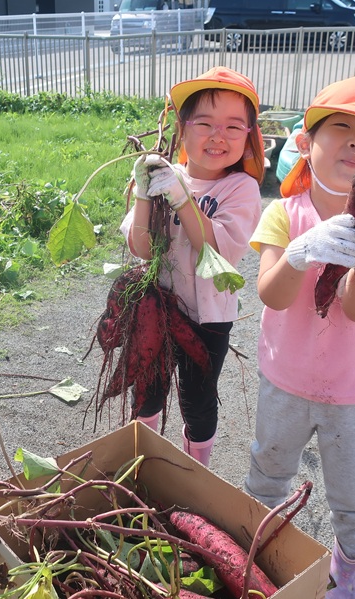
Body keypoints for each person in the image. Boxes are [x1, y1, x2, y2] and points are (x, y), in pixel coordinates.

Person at [242, 75, 355, 599]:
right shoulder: (283, 213)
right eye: (342, 127)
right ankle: (264, 548)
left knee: (353, 490)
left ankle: (348, 564)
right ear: (304, 142)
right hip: (285, 379)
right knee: (268, 471)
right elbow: (272, 295)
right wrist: (302, 251)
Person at [120, 66, 265, 468]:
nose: (218, 136)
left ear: (249, 136)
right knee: (146, 390)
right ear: (182, 129)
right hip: (157, 307)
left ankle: (194, 470)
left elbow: (216, 251)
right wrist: (145, 193)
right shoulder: (165, 177)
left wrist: (183, 197)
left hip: (208, 318)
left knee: (197, 401)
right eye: (204, 123)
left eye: (233, 127)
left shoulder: (241, 189)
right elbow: (142, 248)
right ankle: (141, 463)